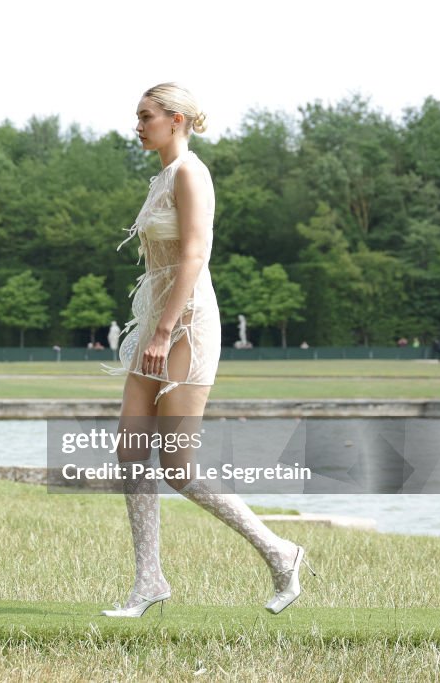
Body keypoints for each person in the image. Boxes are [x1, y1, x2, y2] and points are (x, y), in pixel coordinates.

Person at [99, 83, 314, 618]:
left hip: (187, 325)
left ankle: (279, 552)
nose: (137, 125)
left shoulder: (191, 173)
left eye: (146, 116)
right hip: (156, 322)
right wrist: (152, 328)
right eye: (137, 116)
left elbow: (194, 256)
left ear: (176, 119)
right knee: (130, 449)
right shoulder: (163, 176)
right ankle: (149, 580)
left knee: (178, 465)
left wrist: (163, 331)